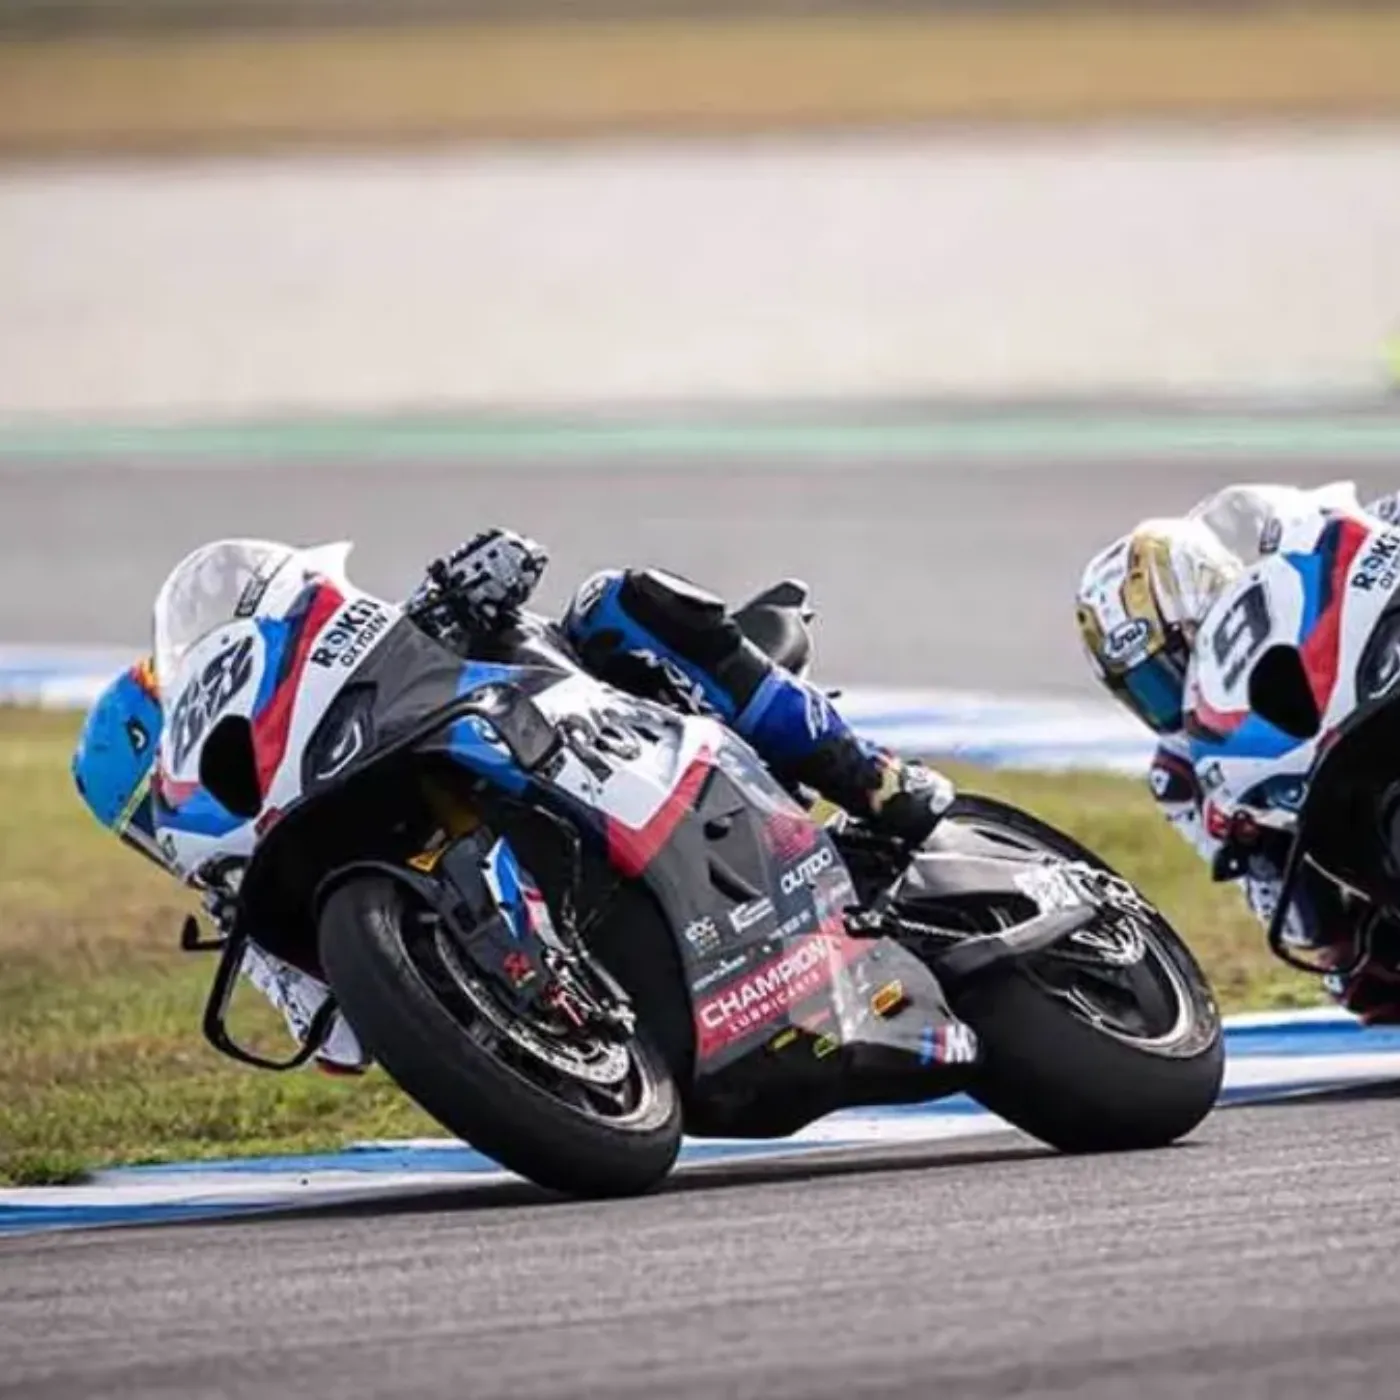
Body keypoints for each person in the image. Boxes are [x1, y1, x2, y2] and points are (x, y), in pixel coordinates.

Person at [71, 530, 955, 1072]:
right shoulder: (253, 907)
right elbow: (343, 1052)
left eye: (157, 806)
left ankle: (872, 779)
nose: (165, 833)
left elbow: (397, 638)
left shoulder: (305, 695)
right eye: (146, 828)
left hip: (572, 717)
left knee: (615, 602)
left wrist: (456, 593)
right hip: (611, 1019)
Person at [1074, 480, 1400, 1023]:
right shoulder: (1179, 778)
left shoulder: (1293, 586)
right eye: (1149, 686)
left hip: (1362, 696)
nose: (1173, 687)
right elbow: (1287, 916)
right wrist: (1250, 842)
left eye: (1173, 657)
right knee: (1360, 978)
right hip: (1349, 840)